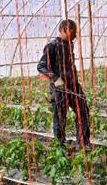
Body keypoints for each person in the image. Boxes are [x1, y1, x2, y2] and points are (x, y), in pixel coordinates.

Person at [37, 19, 91, 149]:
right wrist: (56, 78)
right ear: (64, 30)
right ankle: (60, 146)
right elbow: (41, 66)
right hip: (60, 89)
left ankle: (83, 143)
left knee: (83, 111)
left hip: (73, 85)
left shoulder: (69, 45)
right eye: (73, 32)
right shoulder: (52, 46)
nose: (75, 36)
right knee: (60, 117)